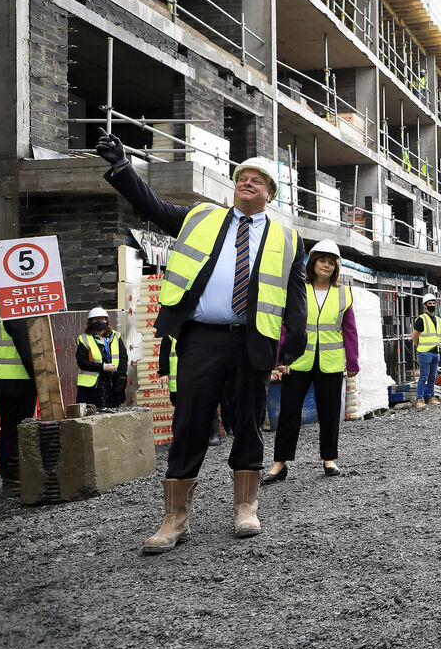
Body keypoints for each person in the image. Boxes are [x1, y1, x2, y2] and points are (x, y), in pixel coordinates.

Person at [96, 130, 307, 552]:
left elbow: (295, 294)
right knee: (189, 420)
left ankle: (246, 505)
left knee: (247, 422)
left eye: (257, 180)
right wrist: (123, 167)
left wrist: (290, 349)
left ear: (271, 193)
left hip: (252, 341)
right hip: (201, 338)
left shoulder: (287, 237)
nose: (247, 182)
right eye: (242, 177)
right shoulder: (201, 217)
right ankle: (175, 518)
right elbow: (151, 207)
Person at [263, 240, 358, 484]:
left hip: (331, 361)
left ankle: (329, 459)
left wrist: (353, 361)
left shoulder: (344, 293)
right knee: (289, 412)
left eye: (330, 262)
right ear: (312, 263)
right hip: (298, 360)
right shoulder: (297, 289)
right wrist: (281, 358)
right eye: (321, 260)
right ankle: (279, 464)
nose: (326, 265)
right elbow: (285, 326)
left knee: (329, 412)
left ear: (336, 267)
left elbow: (350, 331)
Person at [0, 307, 36, 496]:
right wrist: (38, 378)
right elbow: (25, 347)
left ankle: (11, 473)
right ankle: (12, 475)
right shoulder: (14, 308)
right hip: (17, 379)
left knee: (9, 423)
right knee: (16, 426)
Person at [74, 307, 127, 410]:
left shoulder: (116, 336)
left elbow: (123, 359)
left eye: (102, 319)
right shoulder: (84, 339)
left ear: (106, 321)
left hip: (112, 384)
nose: (99, 322)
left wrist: (121, 378)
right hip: (91, 388)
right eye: (96, 319)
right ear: (90, 322)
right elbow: (82, 362)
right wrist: (103, 367)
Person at [412, 292, 441, 409]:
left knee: (432, 377)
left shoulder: (438, 320)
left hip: (435, 352)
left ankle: (430, 397)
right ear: (425, 305)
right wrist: (419, 346)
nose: (432, 305)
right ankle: (420, 399)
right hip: (425, 352)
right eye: (429, 303)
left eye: (434, 303)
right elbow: (415, 336)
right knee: (423, 377)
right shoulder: (421, 319)